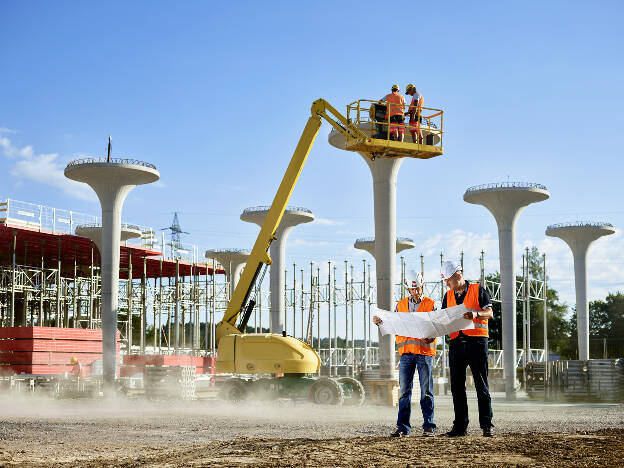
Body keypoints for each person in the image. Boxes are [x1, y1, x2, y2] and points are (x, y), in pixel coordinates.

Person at [373, 271, 437, 437]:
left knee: (426, 392)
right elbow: (392, 324)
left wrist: (433, 336)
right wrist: (380, 322)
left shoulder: (431, 304)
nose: (415, 292)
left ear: (422, 287)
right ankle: (402, 428)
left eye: (418, 289)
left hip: (424, 353)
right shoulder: (400, 305)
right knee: (405, 393)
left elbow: (438, 327)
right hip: (406, 354)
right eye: (412, 289)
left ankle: (428, 426)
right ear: (408, 289)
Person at [440, 260, 495, 437]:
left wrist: (476, 314)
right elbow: (443, 320)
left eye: (448, 280)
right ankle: (460, 426)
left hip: (477, 342)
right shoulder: (447, 296)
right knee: (456, 387)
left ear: (458, 275)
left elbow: (490, 313)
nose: (446, 284)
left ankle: (487, 425)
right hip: (456, 343)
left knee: (481, 384)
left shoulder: (478, 289)